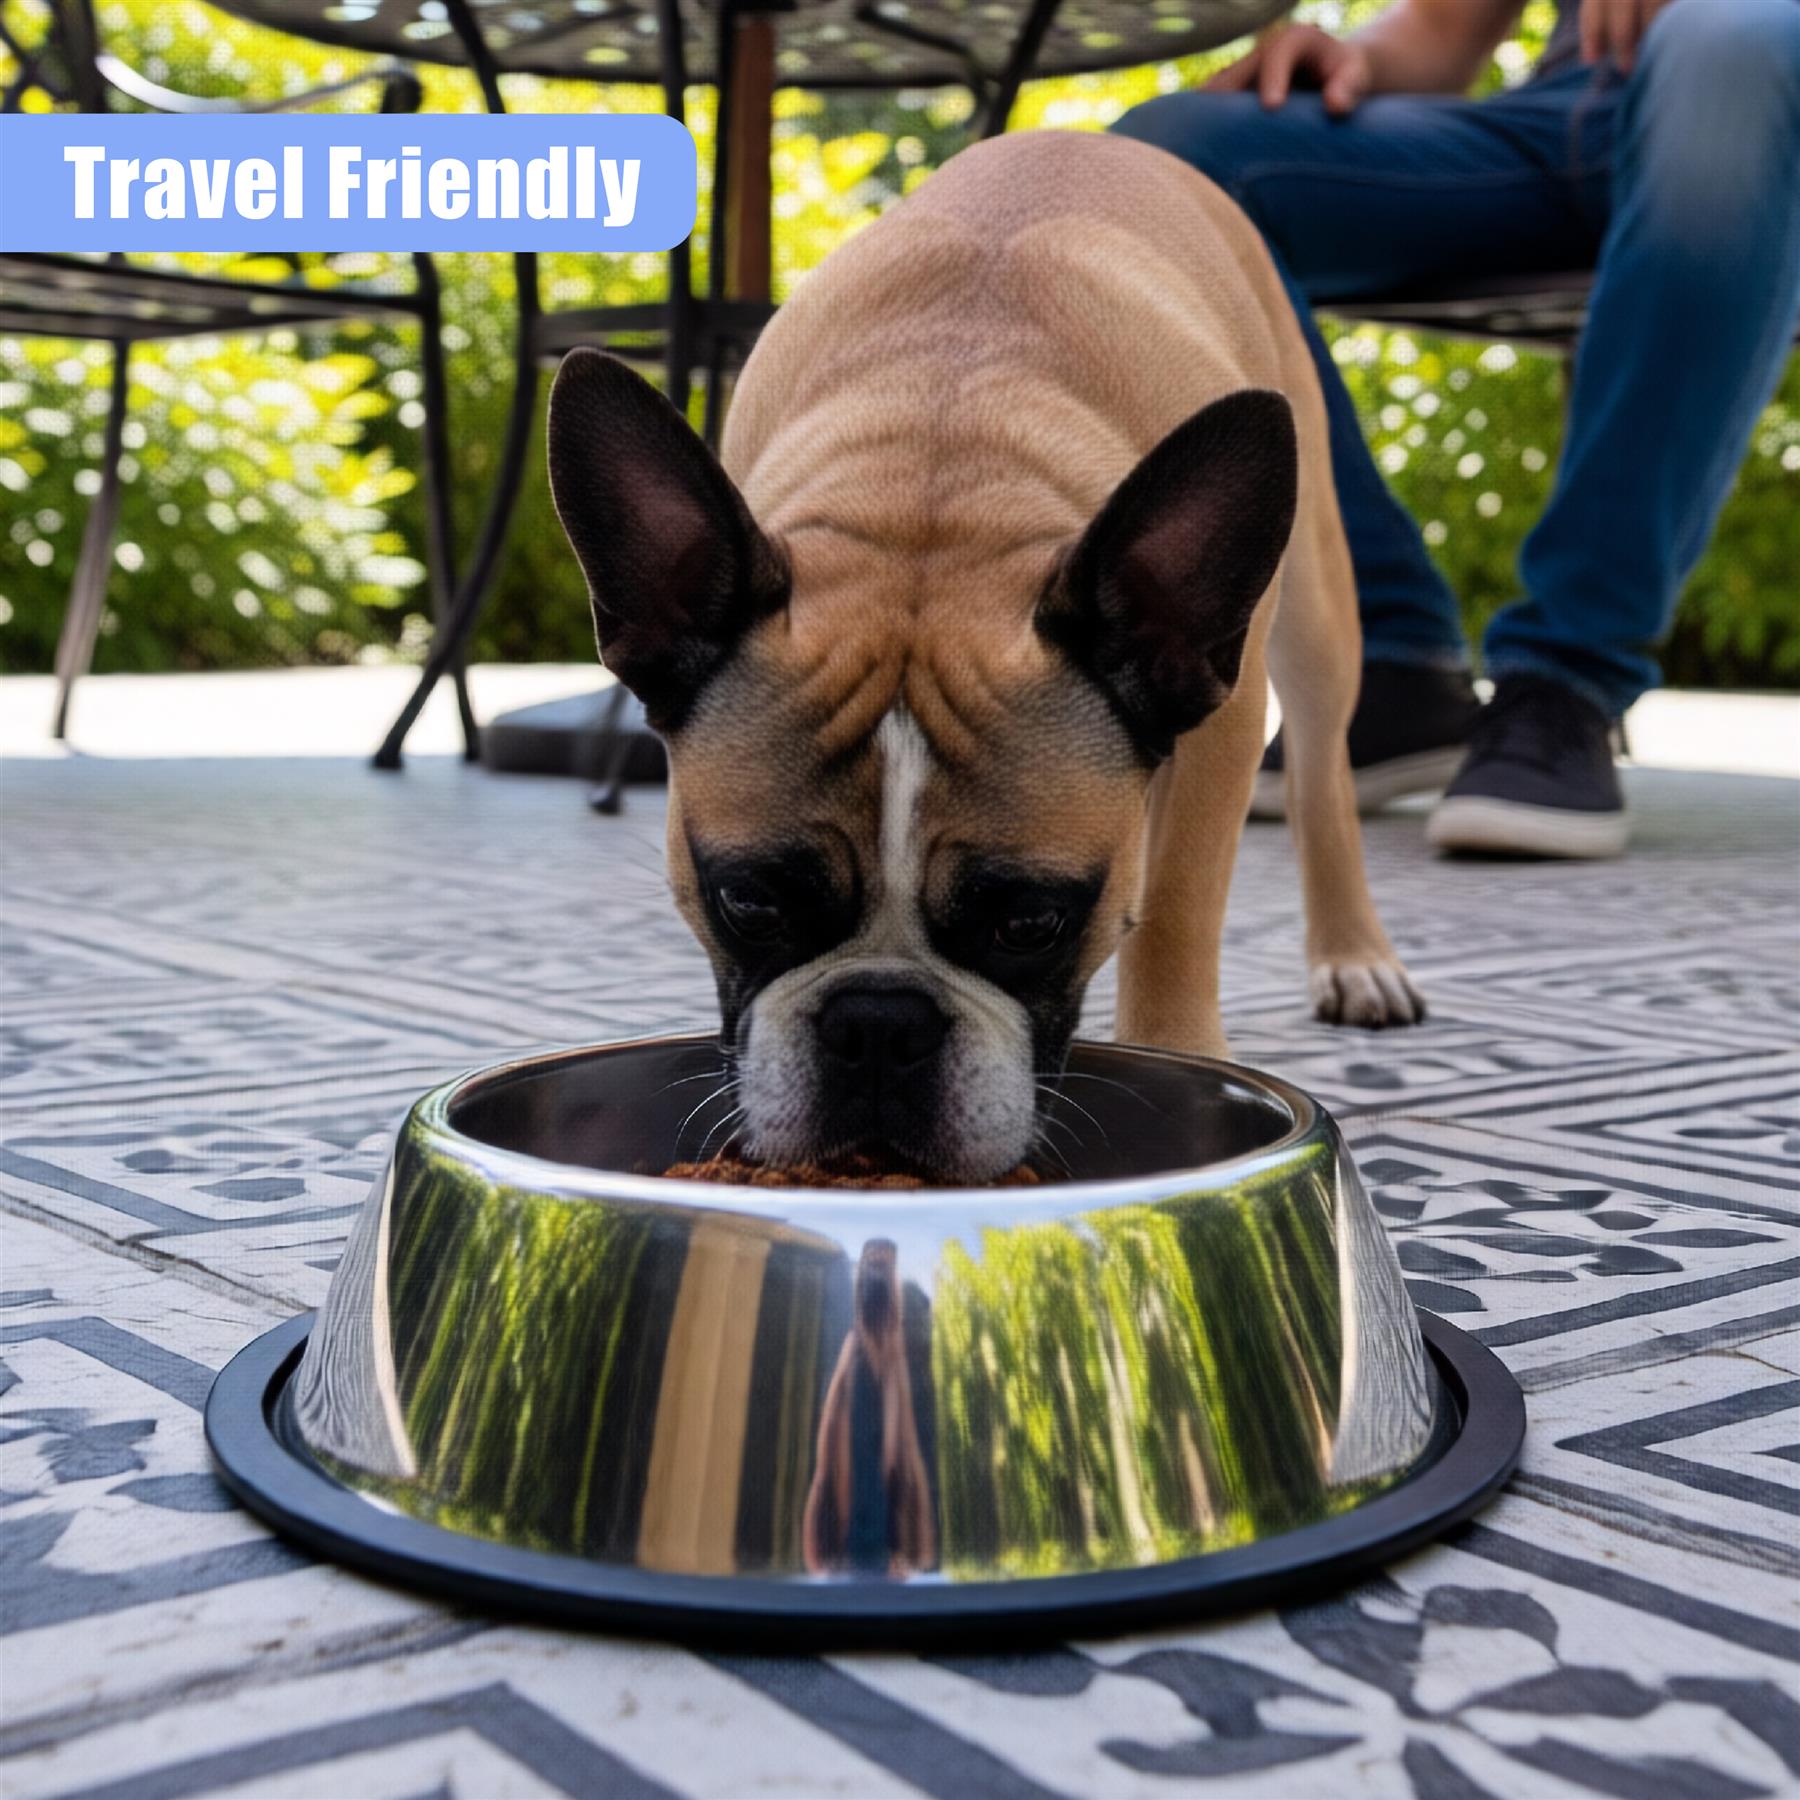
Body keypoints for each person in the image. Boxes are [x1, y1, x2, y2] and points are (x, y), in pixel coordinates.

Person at [1113, 0, 1800, 857]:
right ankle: (1386, 660)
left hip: (1769, 109)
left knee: (1730, 42)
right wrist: (1353, 58)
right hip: (1561, 122)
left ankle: (1566, 679)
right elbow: (1445, 32)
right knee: (1164, 160)